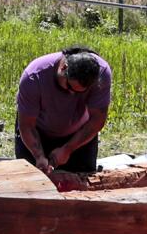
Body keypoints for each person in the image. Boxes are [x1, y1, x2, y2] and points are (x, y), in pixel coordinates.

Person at [15, 46, 111, 191]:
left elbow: (97, 120)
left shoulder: (101, 73)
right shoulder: (34, 76)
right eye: (69, 87)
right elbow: (27, 125)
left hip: (79, 136)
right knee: (30, 189)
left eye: (80, 92)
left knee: (81, 191)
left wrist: (68, 148)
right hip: (37, 132)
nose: (72, 95)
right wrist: (39, 156)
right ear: (64, 67)